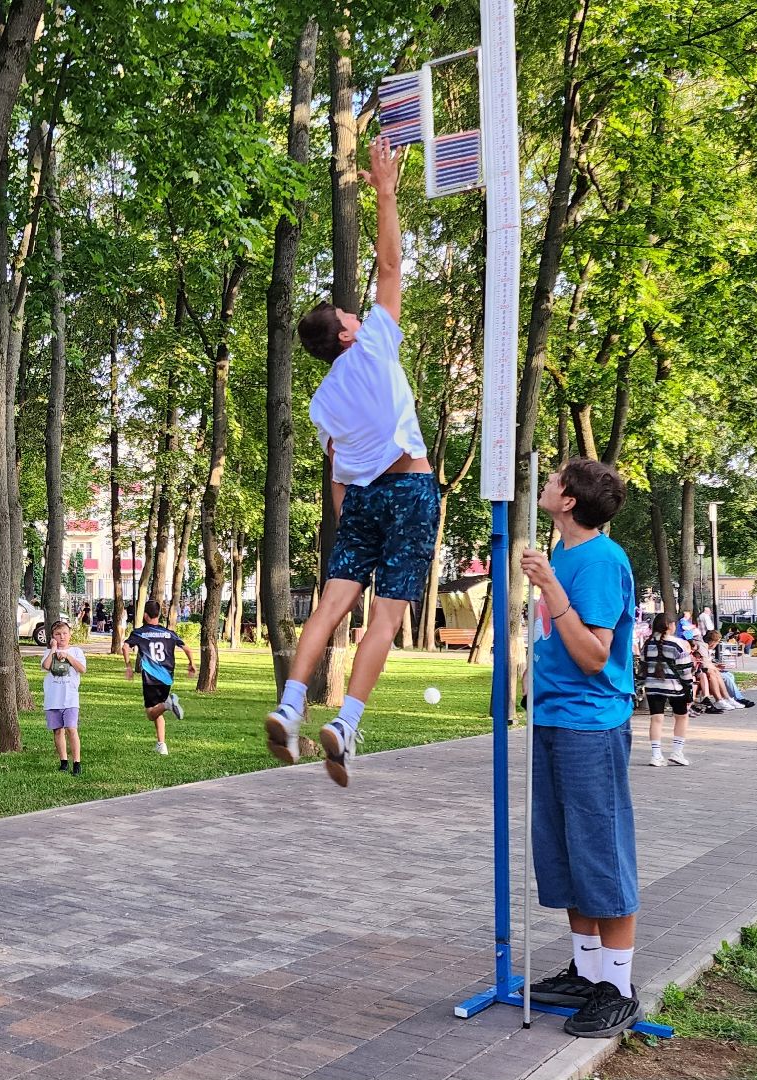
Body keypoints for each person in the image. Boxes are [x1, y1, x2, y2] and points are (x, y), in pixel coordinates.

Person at [264, 135, 439, 788]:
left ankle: (290, 705)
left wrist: (352, 523)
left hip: (360, 499)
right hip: (411, 490)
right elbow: (390, 266)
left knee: (331, 605)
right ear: (346, 332)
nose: (356, 312)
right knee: (386, 616)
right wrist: (386, 192)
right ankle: (346, 723)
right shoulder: (373, 346)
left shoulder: (323, 402)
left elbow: (338, 482)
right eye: (348, 312)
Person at [518, 458, 646, 1038]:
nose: (545, 485)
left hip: (590, 725)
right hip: (553, 718)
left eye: (553, 481)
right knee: (564, 848)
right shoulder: (566, 555)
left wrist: (549, 587)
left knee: (599, 846)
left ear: (568, 500)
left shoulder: (598, 560)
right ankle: (587, 969)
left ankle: (618, 988)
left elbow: (595, 656)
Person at [123, 599, 195, 755]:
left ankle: (168, 704)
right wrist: (191, 664)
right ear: (159, 615)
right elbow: (188, 649)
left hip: (151, 678)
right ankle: (161, 745)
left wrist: (128, 666)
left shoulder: (140, 633)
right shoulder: (169, 633)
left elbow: (125, 646)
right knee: (157, 709)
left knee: (151, 713)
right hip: (167, 678)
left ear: (146, 615)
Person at [643, 614, 694, 766]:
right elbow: (685, 670)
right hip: (675, 687)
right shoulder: (678, 644)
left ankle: (656, 755)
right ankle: (677, 752)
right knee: (681, 717)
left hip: (652, 687)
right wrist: (689, 687)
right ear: (670, 625)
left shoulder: (647, 644)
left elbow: (643, 666)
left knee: (656, 719)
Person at [41, 617, 87, 774]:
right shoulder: (48, 652)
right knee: (58, 730)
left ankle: (77, 762)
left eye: (64, 633)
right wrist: (54, 650)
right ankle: (63, 761)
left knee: (71, 729)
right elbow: (46, 666)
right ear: (52, 636)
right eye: (58, 634)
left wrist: (67, 656)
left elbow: (82, 669)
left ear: (70, 635)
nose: (62, 637)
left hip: (70, 698)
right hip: (53, 698)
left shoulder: (76, 651)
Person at [703, 630, 755, 708]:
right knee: (726, 677)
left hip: (712, 669)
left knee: (729, 675)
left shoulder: (708, 649)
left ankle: (732, 698)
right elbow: (704, 664)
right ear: (713, 642)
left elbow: (708, 662)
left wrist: (716, 665)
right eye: (717, 642)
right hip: (708, 672)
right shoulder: (704, 648)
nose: (717, 645)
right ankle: (737, 698)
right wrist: (715, 666)